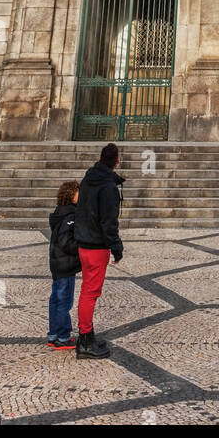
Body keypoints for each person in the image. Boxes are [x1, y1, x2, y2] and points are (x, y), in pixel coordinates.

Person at [74, 143, 124, 359]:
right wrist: (116, 246)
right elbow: (109, 221)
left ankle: (88, 335)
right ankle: (85, 340)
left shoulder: (88, 180)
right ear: (117, 161)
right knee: (90, 293)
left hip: (84, 243)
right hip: (96, 246)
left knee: (88, 290)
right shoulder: (108, 187)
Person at [47, 180, 81, 350]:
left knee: (55, 299)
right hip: (65, 264)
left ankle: (53, 334)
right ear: (71, 195)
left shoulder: (59, 212)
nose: (80, 195)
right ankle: (62, 336)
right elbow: (66, 242)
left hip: (57, 263)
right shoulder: (70, 216)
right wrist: (81, 245)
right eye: (78, 192)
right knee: (64, 301)